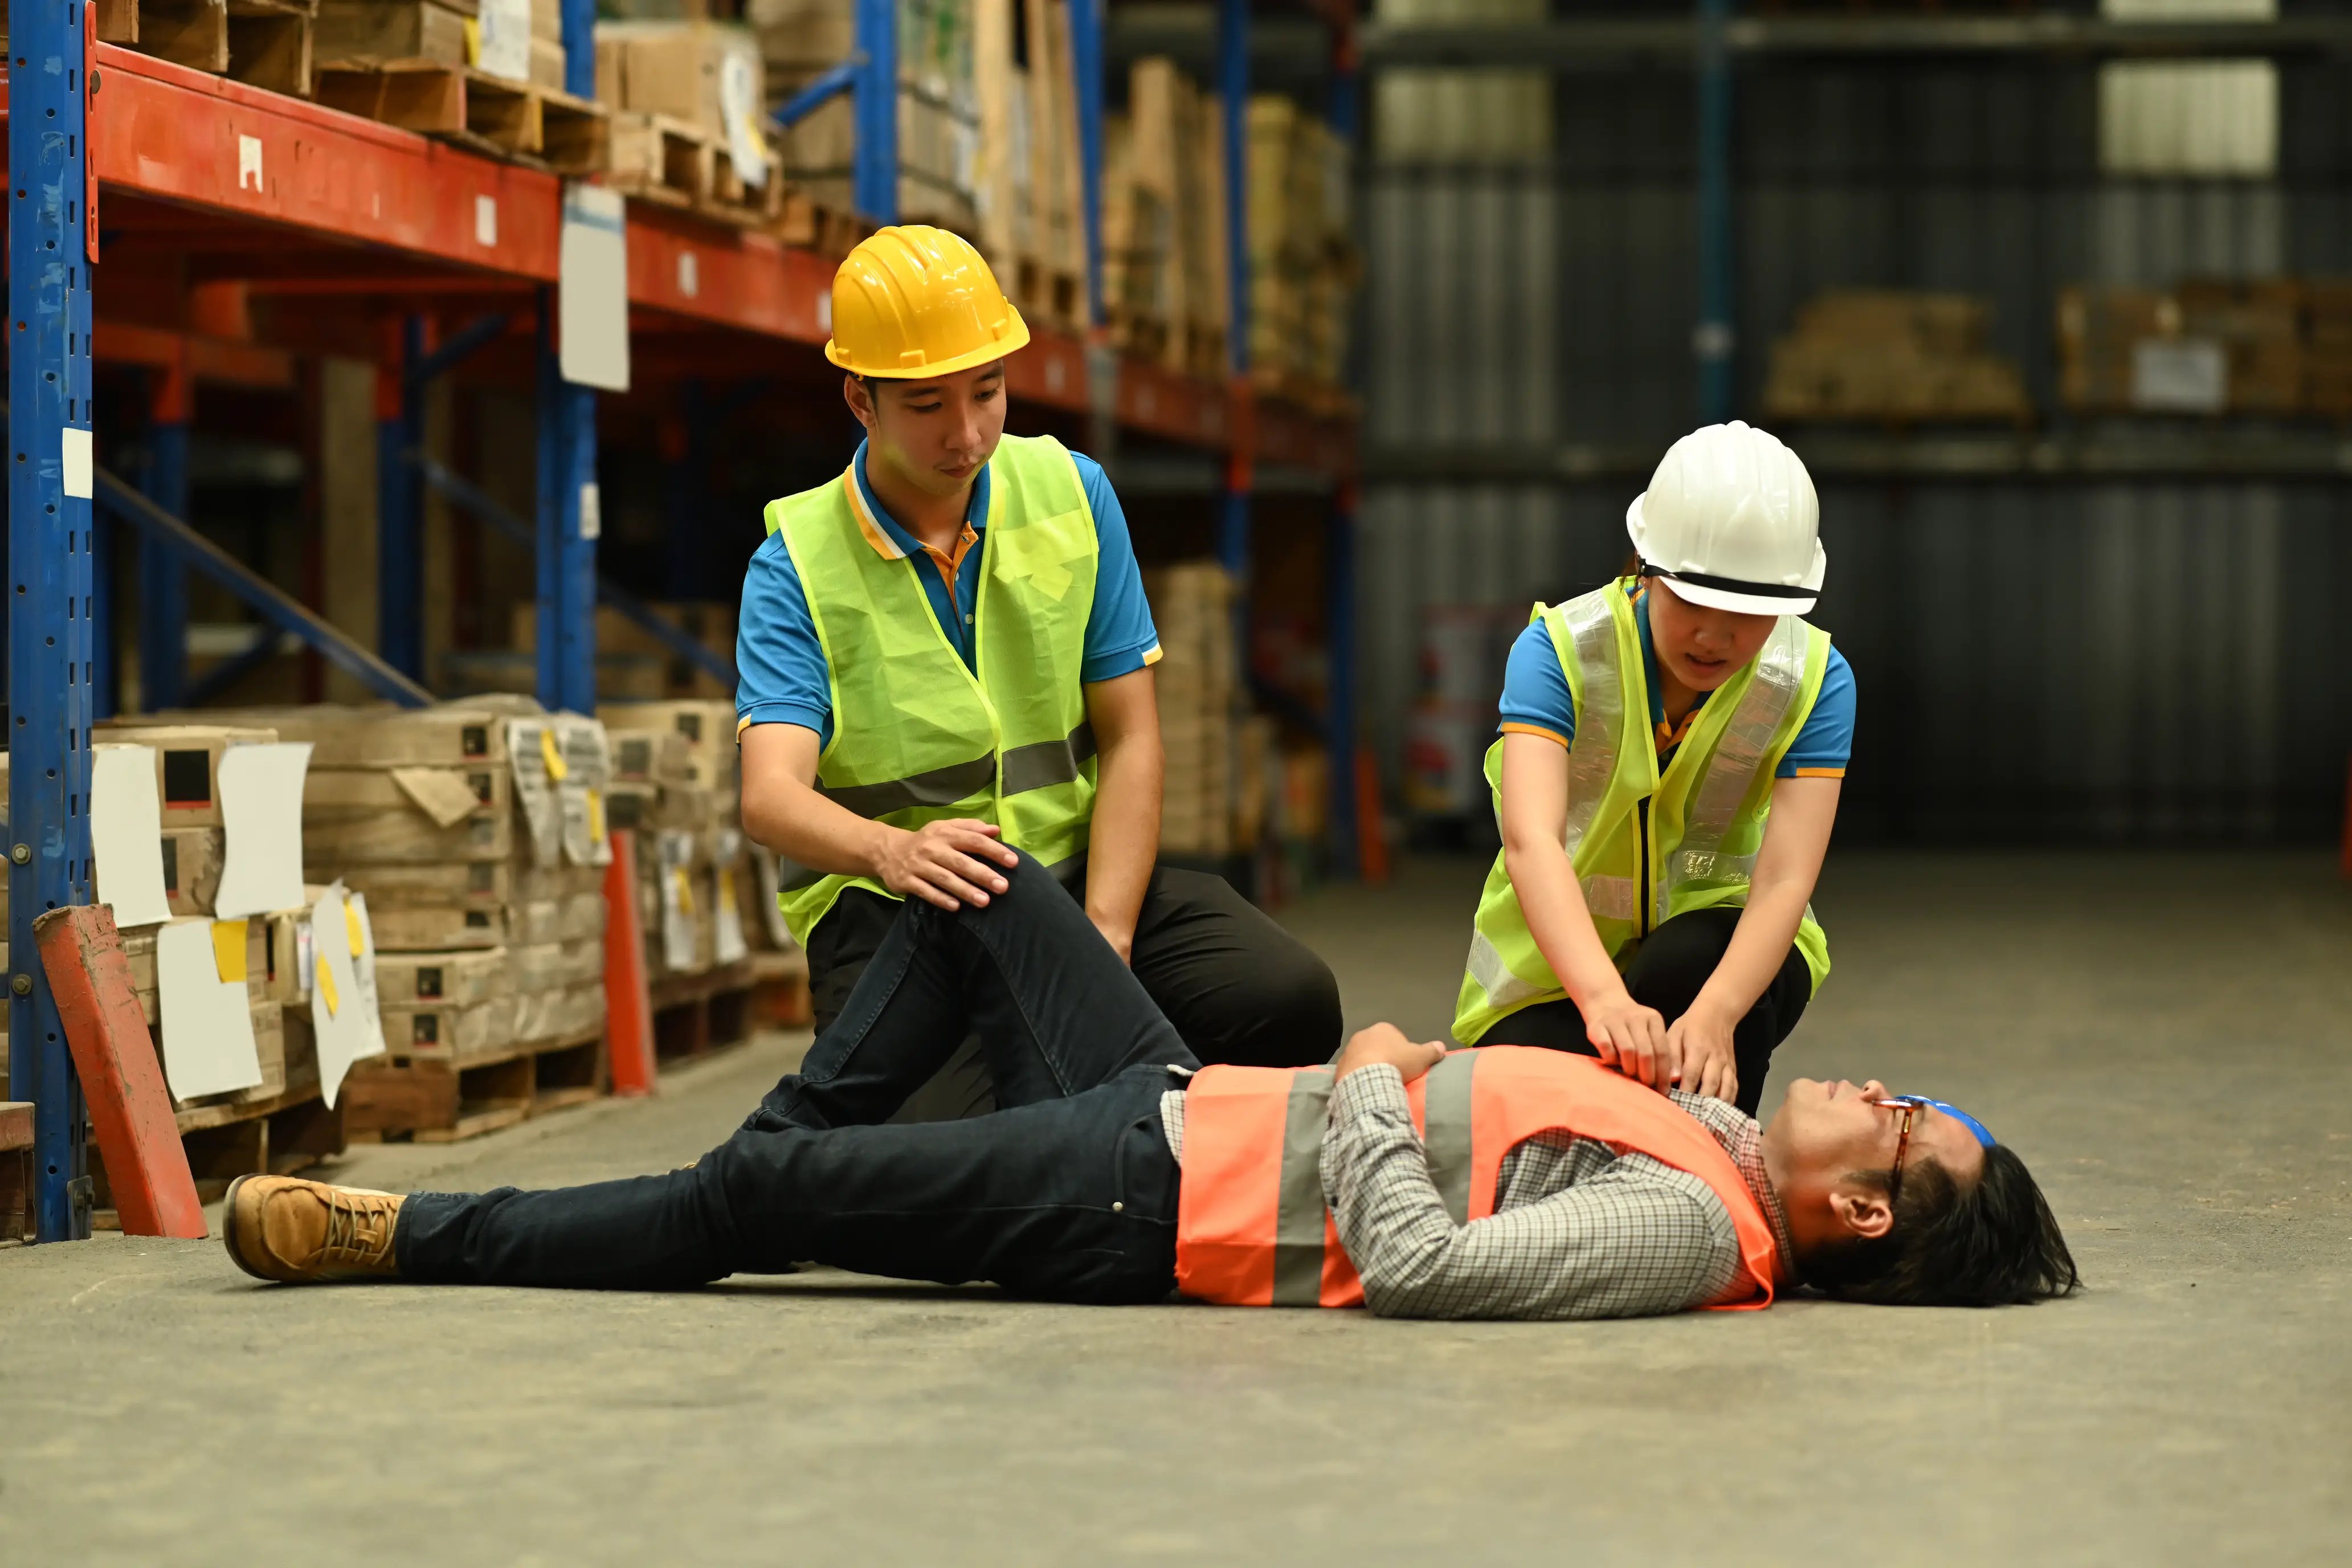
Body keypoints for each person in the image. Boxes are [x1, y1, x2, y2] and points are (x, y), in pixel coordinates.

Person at [219, 850, 2079, 1320]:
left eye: (1898, 1123)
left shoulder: (1689, 1232)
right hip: (1184, 1099)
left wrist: (1362, 1072)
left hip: (1150, 1199)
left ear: (1851, 1212)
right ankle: (782, 1152)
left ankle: (404, 1236)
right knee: (968, 882)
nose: (1875, 1085)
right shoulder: (1707, 1134)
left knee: (758, 1212)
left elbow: (1421, 1271)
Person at [734, 223, 1340, 1120]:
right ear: (861, 400)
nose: (968, 433)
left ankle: (1093, 1092)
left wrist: (1105, 943)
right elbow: (768, 797)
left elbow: (1133, 738)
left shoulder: (1073, 494)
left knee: (1290, 1002)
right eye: (929, 404)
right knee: (951, 1169)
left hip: (1068, 877)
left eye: (988, 392)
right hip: (899, 916)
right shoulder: (798, 565)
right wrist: (892, 851)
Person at [1457, 420, 1856, 1118]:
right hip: (1556, 977)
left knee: (1690, 978)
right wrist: (1605, 998)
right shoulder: (1558, 651)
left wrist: (1717, 1015)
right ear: (1645, 565)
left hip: (1717, 959)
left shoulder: (1816, 679)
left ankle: (1718, 1177)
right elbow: (1532, 841)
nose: (1715, 634)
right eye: (1694, 600)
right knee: (1547, 1109)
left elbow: (1787, 876)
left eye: (1749, 612)